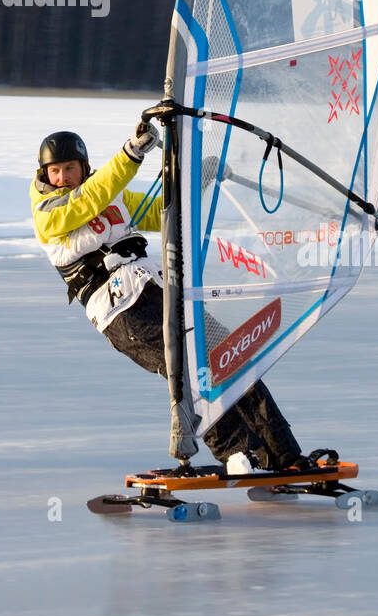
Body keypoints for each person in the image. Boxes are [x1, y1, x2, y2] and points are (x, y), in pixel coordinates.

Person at [30, 123, 308, 472]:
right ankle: (239, 453)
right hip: (121, 311)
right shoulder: (48, 214)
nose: (63, 177)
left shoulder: (110, 194)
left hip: (158, 287)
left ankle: (283, 453)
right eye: (54, 171)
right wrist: (131, 154)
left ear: (84, 167)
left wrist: (200, 181)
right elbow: (88, 200)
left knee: (230, 354)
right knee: (186, 369)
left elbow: (161, 210)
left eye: (70, 168)